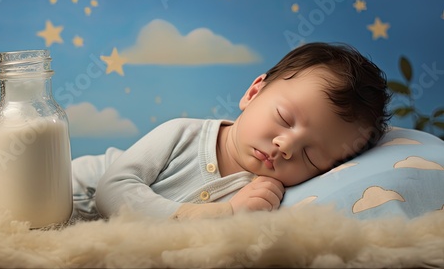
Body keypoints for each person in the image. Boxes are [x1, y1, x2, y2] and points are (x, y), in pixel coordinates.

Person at [70, 42, 391, 221]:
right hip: (69, 185)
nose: (286, 146)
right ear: (253, 93)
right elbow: (111, 190)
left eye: (311, 154)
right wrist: (215, 214)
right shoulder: (183, 134)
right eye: (283, 117)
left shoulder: (263, 197)